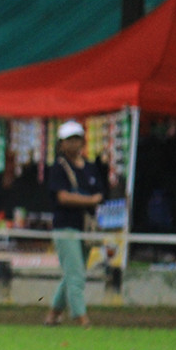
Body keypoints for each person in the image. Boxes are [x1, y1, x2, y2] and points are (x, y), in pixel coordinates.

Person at [43, 121, 106, 328]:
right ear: (61, 144)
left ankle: (53, 314)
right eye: (69, 140)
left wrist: (92, 200)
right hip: (65, 227)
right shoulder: (58, 168)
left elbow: (100, 193)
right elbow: (62, 197)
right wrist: (89, 200)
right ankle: (81, 317)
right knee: (76, 274)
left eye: (77, 138)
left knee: (73, 273)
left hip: (85, 227)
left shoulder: (90, 167)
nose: (74, 143)